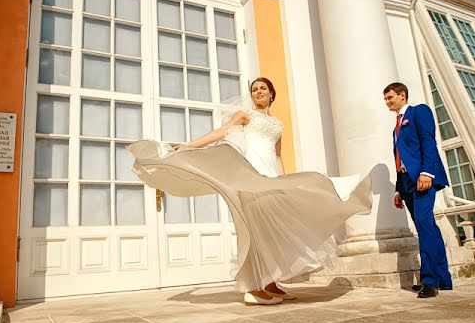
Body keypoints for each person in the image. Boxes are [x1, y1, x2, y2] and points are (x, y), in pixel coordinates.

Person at [128, 77, 373, 305]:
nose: (258, 92)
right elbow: (220, 133)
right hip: (251, 174)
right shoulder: (246, 115)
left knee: (273, 231)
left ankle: (271, 281)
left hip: (271, 175)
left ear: (271, 95)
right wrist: (190, 145)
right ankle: (252, 286)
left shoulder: (278, 123)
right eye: (254, 89)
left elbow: (277, 154)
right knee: (257, 229)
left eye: (262, 88)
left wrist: (283, 180)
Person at [384, 82, 452, 298]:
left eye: (390, 97)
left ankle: (430, 281)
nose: (387, 102)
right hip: (405, 182)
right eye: (385, 99)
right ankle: (443, 278)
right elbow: (399, 159)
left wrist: (427, 173)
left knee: (424, 227)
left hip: (422, 178)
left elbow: (427, 142)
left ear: (402, 95)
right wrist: (397, 189)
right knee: (428, 226)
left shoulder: (418, 112)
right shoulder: (395, 127)